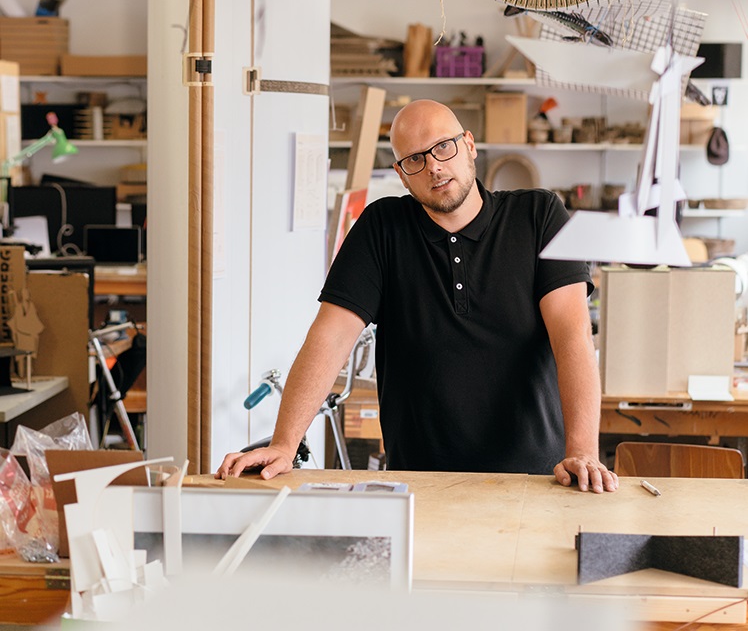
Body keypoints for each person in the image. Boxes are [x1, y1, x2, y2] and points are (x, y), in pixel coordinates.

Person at [216, 99, 618, 493]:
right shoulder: (382, 228)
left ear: (470, 145)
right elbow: (331, 337)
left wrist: (582, 451)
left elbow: (572, 337)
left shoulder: (538, 216)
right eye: (415, 160)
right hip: (419, 485)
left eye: (443, 147)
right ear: (401, 174)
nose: (434, 167)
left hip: (535, 479)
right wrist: (285, 443)